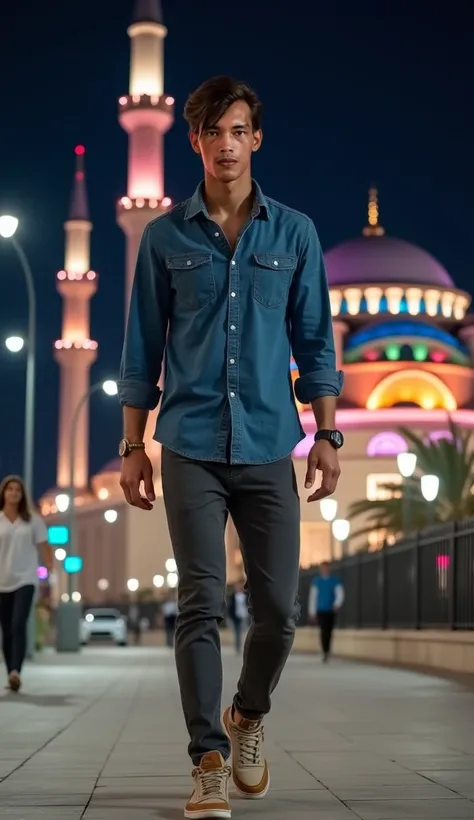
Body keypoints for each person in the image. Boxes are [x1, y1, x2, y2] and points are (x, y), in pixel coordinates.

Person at [118, 75, 344, 819]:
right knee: (200, 604)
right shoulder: (164, 237)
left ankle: (248, 716)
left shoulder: (295, 233)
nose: (226, 143)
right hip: (186, 442)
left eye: (238, 129)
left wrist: (328, 433)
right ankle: (208, 758)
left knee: (279, 608)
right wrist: (132, 446)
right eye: (213, 131)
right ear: (194, 141)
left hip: (270, 442)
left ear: (256, 138)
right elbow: (141, 348)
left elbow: (315, 341)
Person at [0, 475, 52, 692]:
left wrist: (49, 575)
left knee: (18, 624)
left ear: (22, 495)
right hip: (2, 581)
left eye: (17, 490)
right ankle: (10, 670)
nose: (14, 493)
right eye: (10, 489)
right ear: (3, 493)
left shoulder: (33, 520)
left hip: (26, 579)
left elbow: (45, 549)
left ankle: (16, 672)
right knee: (6, 629)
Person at [308, 562, 345, 662]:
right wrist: (312, 611)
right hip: (321, 609)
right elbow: (313, 597)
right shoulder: (317, 581)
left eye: (326, 568)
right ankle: (325, 651)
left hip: (330, 609)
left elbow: (339, 593)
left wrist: (337, 604)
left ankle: (327, 650)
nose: (325, 570)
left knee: (329, 630)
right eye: (323, 568)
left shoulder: (335, 581)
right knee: (323, 630)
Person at [227, 580, 248, 653]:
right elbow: (230, 607)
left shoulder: (245, 596)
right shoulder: (232, 596)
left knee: (245, 631)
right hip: (236, 616)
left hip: (244, 616)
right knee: (237, 632)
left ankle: (244, 646)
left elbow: (247, 605)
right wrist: (230, 616)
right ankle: (237, 646)